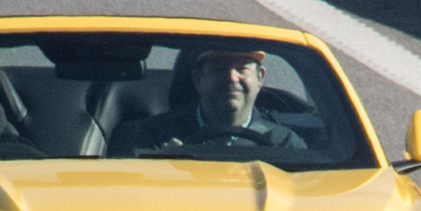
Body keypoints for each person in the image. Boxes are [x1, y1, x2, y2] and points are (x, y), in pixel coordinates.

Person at [109, 49, 306, 154]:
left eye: (241, 68)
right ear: (198, 79)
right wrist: (164, 164)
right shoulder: (155, 136)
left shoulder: (286, 146)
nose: (231, 77)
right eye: (219, 68)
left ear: (260, 78)